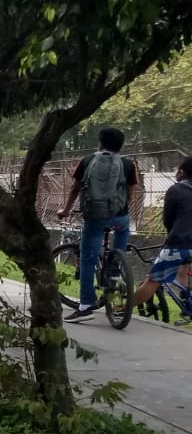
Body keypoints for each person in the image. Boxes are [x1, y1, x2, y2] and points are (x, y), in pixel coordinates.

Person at [56, 127, 138, 322]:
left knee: (87, 259)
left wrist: (66, 210)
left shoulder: (87, 161)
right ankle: (117, 275)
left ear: (100, 143)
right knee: (119, 253)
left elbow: (76, 188)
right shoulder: (128, 164)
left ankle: (85, 306)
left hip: (94, 217)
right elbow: (131, 192)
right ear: (121, 145)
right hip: (120, 217)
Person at [133, 155, 192, 308]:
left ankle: (122, 310)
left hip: (179, 243)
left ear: (181, 172)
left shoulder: (176, 189)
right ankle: (186, 304)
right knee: (184, 266)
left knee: (153, 280)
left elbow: (168, 219)